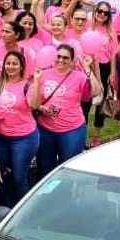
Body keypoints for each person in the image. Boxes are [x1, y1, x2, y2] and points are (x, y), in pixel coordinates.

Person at [30, 45, 101, 175]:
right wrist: (41, 107)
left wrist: (87, 68)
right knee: (45, 169)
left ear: (72, 61)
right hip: (45, 130)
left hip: (72, 131)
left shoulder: (79, 77)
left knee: (68, 170)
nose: (61, 60)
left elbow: (96, 91)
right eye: (58, 56)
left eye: (65, 58)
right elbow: (33, 104)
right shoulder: (42, 74)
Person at [0, 51, 38, 207]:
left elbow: (34, 105)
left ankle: (22, 210)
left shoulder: (27, 85)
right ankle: (4, 208)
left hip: (23, 138)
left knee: (19, 177)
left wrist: (37, 82)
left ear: (21, 66)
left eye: (15, 63)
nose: (11, 66)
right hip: (0, 136)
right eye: (8, 63)